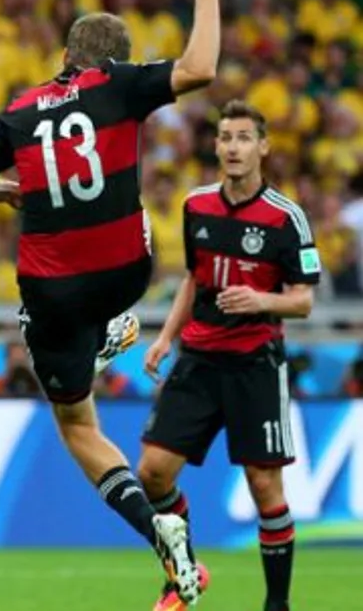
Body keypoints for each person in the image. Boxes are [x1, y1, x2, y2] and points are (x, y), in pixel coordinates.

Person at [0, 0, 222, 606]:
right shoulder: (120, 87)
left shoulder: (19, 111)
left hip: (52, 289)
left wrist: (0, 191)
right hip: (127, 270)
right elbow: (200, 68)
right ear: (112, 62)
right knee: (140, 217)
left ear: (65, 55)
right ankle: (108, 334)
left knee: (76, 424)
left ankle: (157, 531)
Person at [139, 101, 318, 611]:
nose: (233, 147)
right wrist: (165, 337)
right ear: (215, 146)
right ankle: (185, 572)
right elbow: (194, 278)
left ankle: (276, 604)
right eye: (225, 138)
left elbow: (303, 298)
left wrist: (262, 299)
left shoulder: (286, 218)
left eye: (243, 138)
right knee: (152, 472)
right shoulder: (196, 205)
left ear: (263, 147)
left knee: (265, 486)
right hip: (197, 359)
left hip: (254, 363)